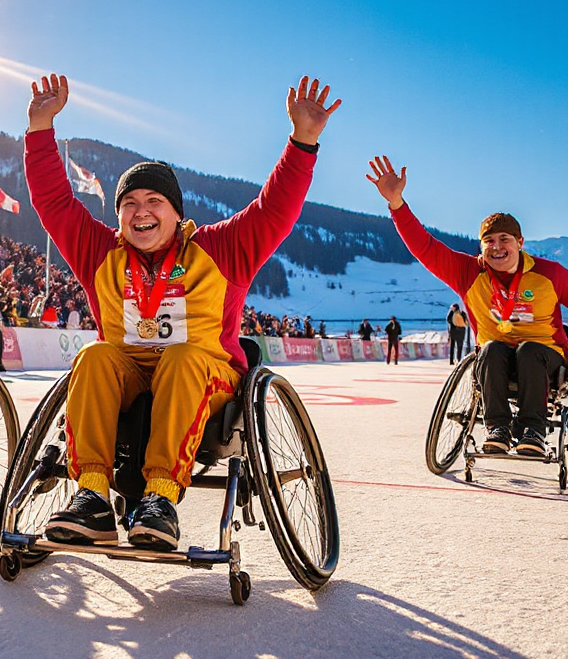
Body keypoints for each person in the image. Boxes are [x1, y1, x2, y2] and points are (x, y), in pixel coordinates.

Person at [27, 73, 339, 549]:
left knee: (182, 356)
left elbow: (273, 210)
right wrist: (41, 128)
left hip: (204, 371)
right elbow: (54, 202)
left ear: (176, 213)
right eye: (128, 204)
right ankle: (91, 498)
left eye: (154, 201)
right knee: (92, 357)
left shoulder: (219, 249)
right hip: (128, 374)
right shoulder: (100, 254)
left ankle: (160, 501)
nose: (140, 211)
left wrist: (303, 142)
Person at [366, 155, 568, 457]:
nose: (497, 247)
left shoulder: (549, 274)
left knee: (528, 351)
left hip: (545, 356)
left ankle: (533, 431)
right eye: (489, 242)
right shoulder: (468, 272)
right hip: (495, 357)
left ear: (520, 242)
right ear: (481, 248)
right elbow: (425, 247)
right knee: (492, 349)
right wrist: (397, 204)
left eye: (504, 239)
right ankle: (497, 428)